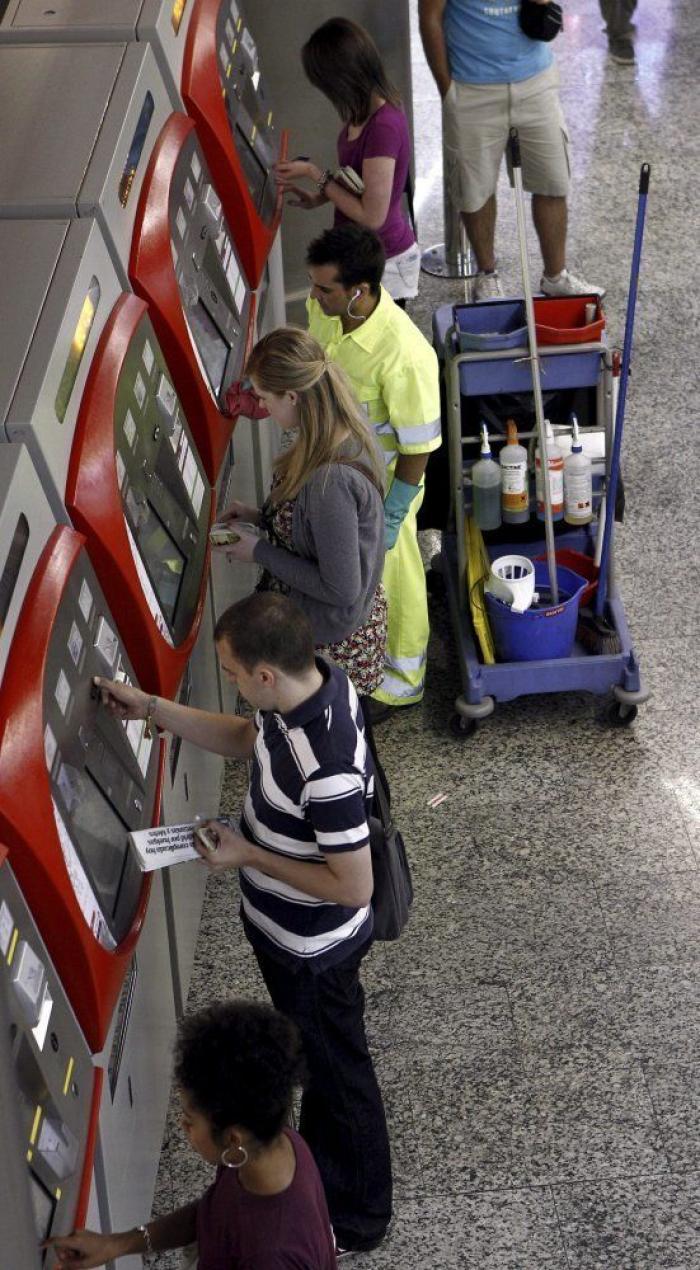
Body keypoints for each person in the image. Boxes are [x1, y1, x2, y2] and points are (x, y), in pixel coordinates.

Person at [91, 592, 393, 1256]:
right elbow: (241, 738)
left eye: (231, 671)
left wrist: (249, 853)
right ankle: (327, 1167)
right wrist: (152, 709)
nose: (228, 681)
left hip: (314, 951)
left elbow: (354, 885)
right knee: (321, 1064)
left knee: (341, 1074)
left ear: (264, 674)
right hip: (283, 933)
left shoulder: (328, 764)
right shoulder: (308, 689)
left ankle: (361, 1214)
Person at [46, 1000, 338, 1268]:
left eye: (189, 1119)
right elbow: (213, 1215)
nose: (182, 1126)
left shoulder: (272, 1254)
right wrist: (117, 1244)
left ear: (233, 1139)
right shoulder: (271, 1144)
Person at [218, 326, 389, 778]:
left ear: (292, 396)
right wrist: (258, 516)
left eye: (265, 397)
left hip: (334, 637)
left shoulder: (329, 480)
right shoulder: (331, 433)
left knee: (324, 756)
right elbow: (319, 534)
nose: (263, 408)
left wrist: (259, 552)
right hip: (338, 623)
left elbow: (339, 585)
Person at [301, 224, 440, 715]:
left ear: (358, 290)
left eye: (324, 288)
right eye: (313, 284)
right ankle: (355, 663)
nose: (313, 297)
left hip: (385, 487)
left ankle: (403, 681)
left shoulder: (405, 353)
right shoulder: (325, 311)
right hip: (336, 473)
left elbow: (419, 446)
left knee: (394, 576)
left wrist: (395, 513)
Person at [419, 0, 604, 301]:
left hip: (535, 80)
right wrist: (447, 89)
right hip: (471, 87)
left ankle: (556, 276)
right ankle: (487, 274)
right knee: (474, 189)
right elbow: (429, 17)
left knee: (553, 181)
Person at [275, 17, 419, 306]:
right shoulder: (361, 113)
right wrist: (319, 197)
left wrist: (316, 175)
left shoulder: (383, 127)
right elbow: (360, 179)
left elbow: (373, 216)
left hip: (384, 263)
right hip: (361, 255)